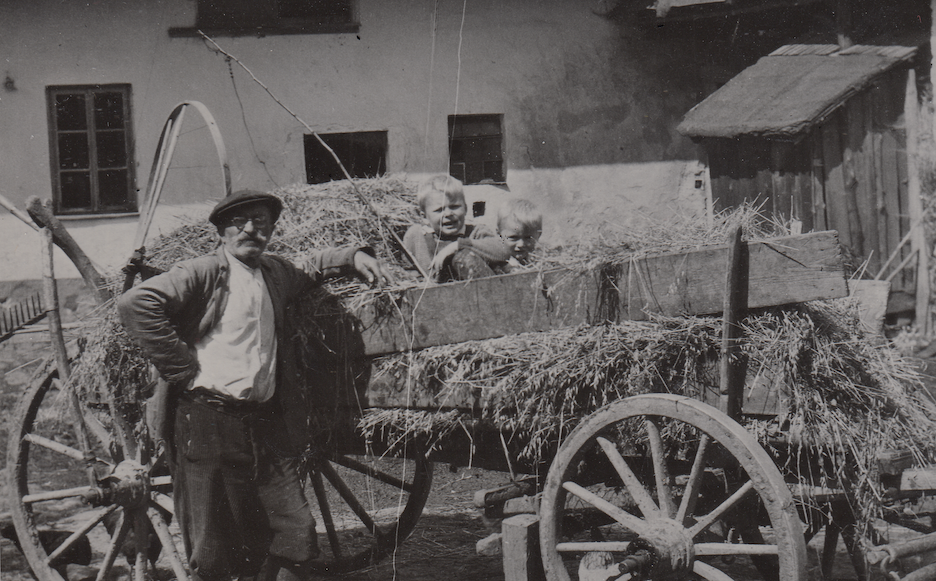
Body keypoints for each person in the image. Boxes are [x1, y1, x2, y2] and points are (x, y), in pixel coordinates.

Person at [117, 189, 394, 581]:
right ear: (221, 231)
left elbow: (311, 265)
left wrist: (353, 256)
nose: (250, 229)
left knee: (294, 532)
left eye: (260, 222)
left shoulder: (275, 273)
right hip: (207, 422)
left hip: (265, 424)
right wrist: (181, 368)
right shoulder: (202, 272)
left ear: (270, 229)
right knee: (213, 549)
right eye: (238, 222)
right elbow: (135, 303)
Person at [401, 174, 510, 282]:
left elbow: (504, 250)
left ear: (465, 209)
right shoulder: (417, 236)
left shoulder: (476, 232)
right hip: (434, 292)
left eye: (454, 207)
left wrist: (458, 245)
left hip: (478, 290)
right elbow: (408, 270)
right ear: (424, 217)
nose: (448, 214)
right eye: (439, 210)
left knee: (465, 257)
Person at [496, 198, 543, 270]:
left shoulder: (540, 260)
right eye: (513, 237)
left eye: (528, 238)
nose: (521, 244)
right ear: (499, 235)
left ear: (538, 235)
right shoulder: (496, 261)